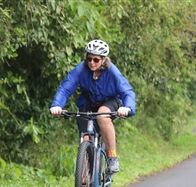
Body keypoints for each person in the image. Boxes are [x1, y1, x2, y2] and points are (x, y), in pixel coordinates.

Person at [50, 39, 136, 174]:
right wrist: (57, 105)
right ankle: (83, 183)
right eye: (89, 59)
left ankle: (112, 156)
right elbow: (65, 89)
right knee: (85, 139)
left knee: (102, 115)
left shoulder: (112, 72)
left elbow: (127, 92)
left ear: (103, 59)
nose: (91, 63)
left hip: (110, 101)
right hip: (88, 103)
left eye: (96, 60)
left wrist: (128, 108)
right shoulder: (81, 69)